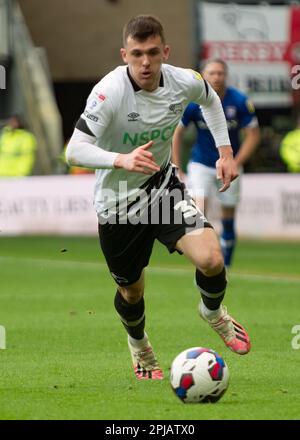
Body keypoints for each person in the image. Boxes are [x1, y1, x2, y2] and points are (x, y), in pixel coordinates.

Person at [66, 16, 251, 381]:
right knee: (132, 292)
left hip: (163, 189)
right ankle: (139, 344)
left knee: (212, 258)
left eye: (153, 53)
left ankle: (213, 312)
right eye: (137, 54)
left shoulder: (184, 80)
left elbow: (210, 101)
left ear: (165, 52)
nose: (146, 62)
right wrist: (121, 159)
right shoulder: (108, 93)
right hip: (117, 205)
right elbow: (74, 150)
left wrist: (226, 152)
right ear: (125, 55)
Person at [172, 59, 260, 268]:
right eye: (212, 73)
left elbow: (253, 134)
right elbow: (177, 133)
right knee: (198, 212)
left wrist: (235, 162)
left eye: (220, 73)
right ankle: (205, 263)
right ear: (203, 75)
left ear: (226, 75)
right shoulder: (193, 102)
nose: (216, 77)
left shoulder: (239, 100)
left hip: (230, 166)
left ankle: (225, 268)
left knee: (228, 217)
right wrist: (176, 165)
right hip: (200, 164)